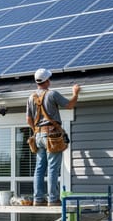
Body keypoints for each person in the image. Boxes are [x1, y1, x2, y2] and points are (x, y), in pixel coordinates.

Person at [25, 68, 80, 206]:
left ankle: (38, 199)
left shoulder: (31, 97)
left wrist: (36, 131)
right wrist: (75, 93)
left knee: (39, 168)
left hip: (38, 135)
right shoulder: (52, 94)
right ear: (47, 81)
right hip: (52, 135)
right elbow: (69, 105)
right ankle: (53, 199)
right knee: (52, 168)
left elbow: (28, 119)